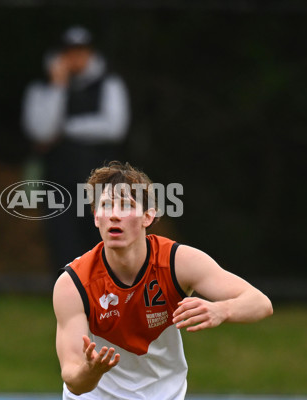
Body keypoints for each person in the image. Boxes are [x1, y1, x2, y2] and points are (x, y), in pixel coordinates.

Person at [53, 161, 273, 399]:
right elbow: (74, 380)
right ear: (96, 218)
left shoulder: (177, 263)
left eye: (126, 206)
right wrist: (92, 371)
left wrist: (221, 310)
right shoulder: (74, 283)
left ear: (148, 216)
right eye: (106, 206)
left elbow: (260, 303)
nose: (114, 215)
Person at [22, 26, 130, 277]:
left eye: (81, 51)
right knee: (63, 247)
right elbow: (41, 132)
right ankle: (68, 302)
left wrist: (67, 128)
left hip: (100, 186)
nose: (76, 58)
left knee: (104, 245)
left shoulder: (109, 84)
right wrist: (58, 88)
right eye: (70, 52)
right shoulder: (42, 89)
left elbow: (114, 127)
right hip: (58, 183)